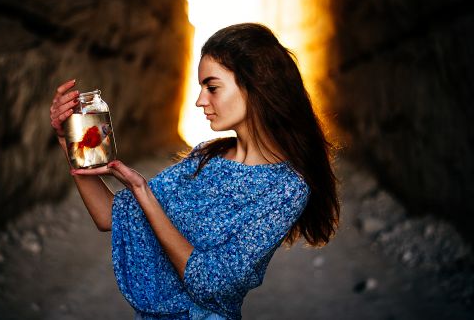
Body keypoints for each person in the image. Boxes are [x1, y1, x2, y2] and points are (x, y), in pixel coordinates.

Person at [49, 23, 339, 320]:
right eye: (201, 88)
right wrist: (69, 141)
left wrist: (143, 193)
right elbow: (108, 214)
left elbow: (208, 283)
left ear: (256, 86)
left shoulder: (287, 188)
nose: (201, 100)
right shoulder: (206, 155)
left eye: (212, 87)